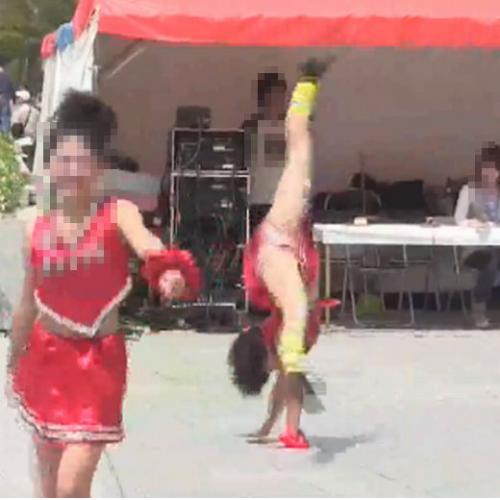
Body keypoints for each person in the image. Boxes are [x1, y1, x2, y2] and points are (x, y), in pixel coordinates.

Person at [6, 91, 201, 497]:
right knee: (49, 485)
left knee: (70, 486)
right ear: (50, 164)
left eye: (81, 160)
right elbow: (27, 303)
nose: (71, 169)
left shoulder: (117, 214)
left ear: (98, 166)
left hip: (97, 368)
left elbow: (148, 246)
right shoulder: (35, 228)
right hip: (45, 362)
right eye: (63, 159)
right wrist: (12, 361)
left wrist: (169, 272)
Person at [228, 57, 336, 449]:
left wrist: (288, 429)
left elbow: (289, 383)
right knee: (302, 145)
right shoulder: (279, 349)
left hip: (280, 240)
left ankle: (308, 80)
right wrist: (272, 428)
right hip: (291, 243)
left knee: (299, 148)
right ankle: (308, 82)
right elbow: (284, 389)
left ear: (265, 359)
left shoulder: (280, 340)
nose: (277, 373)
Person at [455, 143, 500, 328]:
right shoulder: (469, 191)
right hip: (475, 250)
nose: (488, 173)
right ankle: (478, 308)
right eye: (484, 168)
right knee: (491, 260)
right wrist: (472, 223)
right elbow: (458, 219)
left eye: (493, 169)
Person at [0, 66, 15, 135]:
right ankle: (5, 135)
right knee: (5, 118)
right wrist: (14, 100)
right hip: (5, 99)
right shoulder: (8, 78)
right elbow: (12, 90)